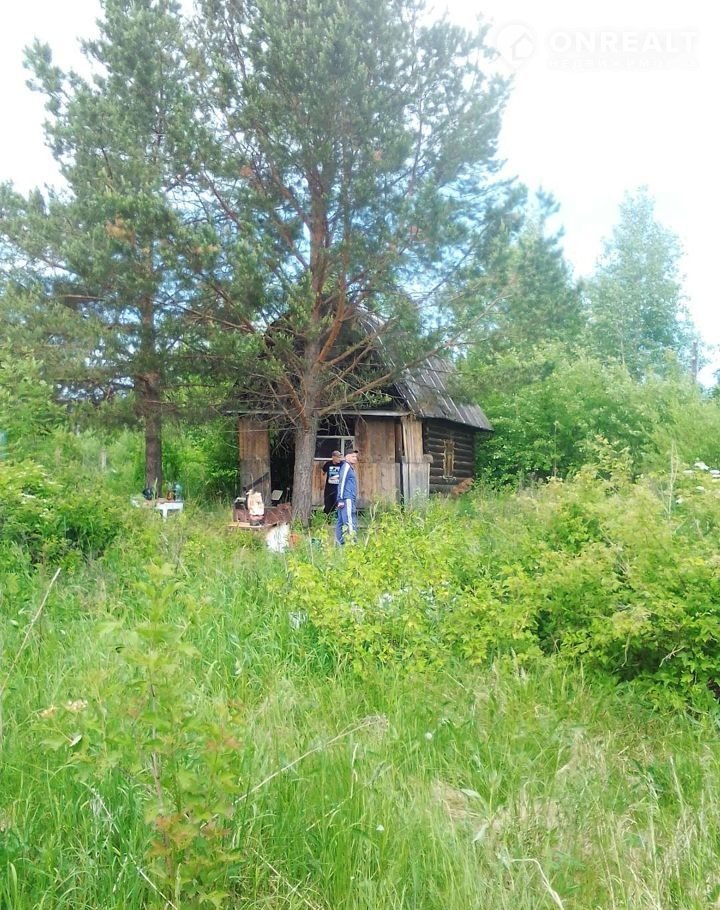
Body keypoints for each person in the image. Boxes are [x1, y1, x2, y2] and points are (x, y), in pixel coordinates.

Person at [335, 449, 359, 545]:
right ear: (347, 457)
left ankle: (340, 543)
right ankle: (352, 543)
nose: (355, 458)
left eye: (356, 457)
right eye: (353, 456)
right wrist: (340, 499)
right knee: (349, 520)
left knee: (341, 521)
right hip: (346, 498)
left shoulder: (350, 468)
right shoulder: (346, 467)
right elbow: (342, 482)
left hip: (346, 498)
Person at [321, 450, 343, 514]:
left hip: (338, 489)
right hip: (329, 489)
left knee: (337, 505)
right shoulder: (328, 464)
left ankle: (337, 518)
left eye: (340, 457)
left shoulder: (342, 464)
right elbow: (323, 472)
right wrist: (322, 482)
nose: (339, 459)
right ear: (333, 457)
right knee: (328, 506)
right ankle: (328, 518)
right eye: (338, 457)